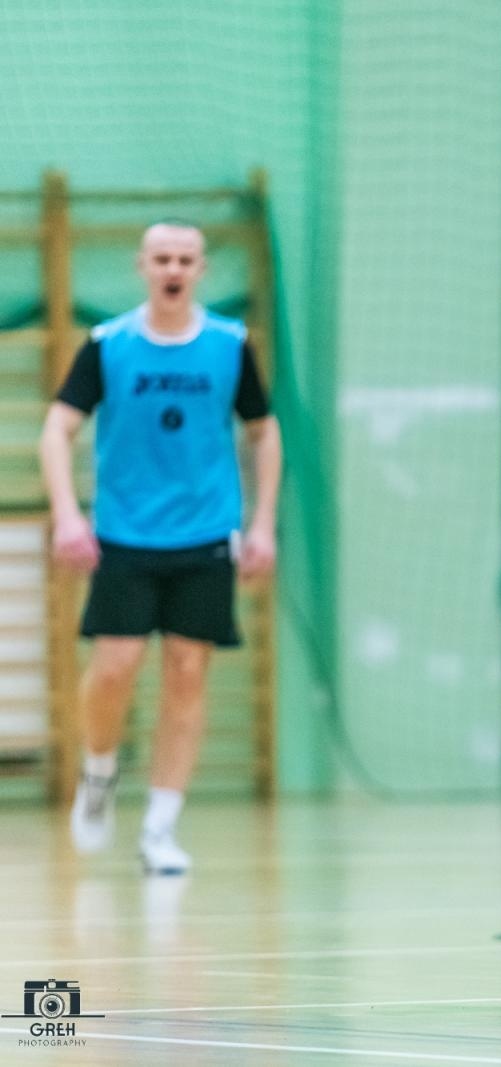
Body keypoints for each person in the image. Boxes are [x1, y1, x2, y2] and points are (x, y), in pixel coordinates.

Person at [40, 220, 281, 877]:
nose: (173, 268)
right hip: (125, 533)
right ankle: (98, 772)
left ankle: (160, 827)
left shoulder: (229, 345)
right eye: (162, 258)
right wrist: (67, 515)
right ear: (142, 266)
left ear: (201, 270)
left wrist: (262, 524)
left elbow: (264, 433)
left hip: (205, 533)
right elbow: (57, 429)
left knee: (187, 672)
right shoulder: (108, 345)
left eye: (185, 259)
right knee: (113, 667)